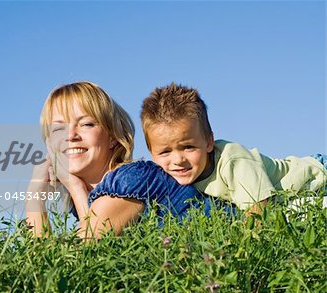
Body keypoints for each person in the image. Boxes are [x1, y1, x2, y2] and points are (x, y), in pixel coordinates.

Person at [26, 81, 230, 239]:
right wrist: (35, 193)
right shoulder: (96, 200)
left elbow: (72, 261)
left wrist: (73, 187)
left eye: (86, 124)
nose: (70, 135)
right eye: (58, 127)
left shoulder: (128, 181)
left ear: (113, 137)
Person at [140, 82, 327, 215]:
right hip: (286, 199)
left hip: (314, 176)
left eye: (188, 147)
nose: (178, 159)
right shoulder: (172, 175)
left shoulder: (233, 160)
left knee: (306, 211)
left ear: (208, 142)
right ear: (151, 152)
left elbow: (259, 210)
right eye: (165, 151)